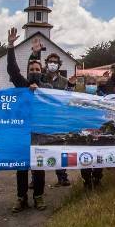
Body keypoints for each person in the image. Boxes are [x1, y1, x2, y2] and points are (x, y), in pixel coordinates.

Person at [7, 27, 51, 212]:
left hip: (39, 134)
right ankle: (21, 198)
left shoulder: (47, 88)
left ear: (41, 71)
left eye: (37, 69)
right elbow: (12, 69)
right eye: (31, 69)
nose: (34, 71)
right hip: (22, 133)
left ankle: (38, 197)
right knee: (22, 168)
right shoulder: (21, 84)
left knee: (38, 168)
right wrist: (10, 46)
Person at [43, 53, 74, 187]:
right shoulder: (40, 78)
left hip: (59, 120)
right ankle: (36, 177)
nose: (53, 64)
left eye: (55, 62)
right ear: (46, 63)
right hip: (42, 119)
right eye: (50, 61)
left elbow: (69, 97)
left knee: (60, 148)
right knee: (39, 148)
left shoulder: (64, 81)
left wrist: (72, 86)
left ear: (59, 65)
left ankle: (62, 176)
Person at [80, 75, 105, 188]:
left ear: (97, 85)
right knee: (84, 156)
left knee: (99, 155)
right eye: (88, 83)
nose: (91, 86)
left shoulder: (103, 98)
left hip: (98, 132)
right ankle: (86, 180)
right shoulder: (80, 97)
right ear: (85, 86)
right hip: (84, 132)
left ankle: (97, 178)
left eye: (93, 84)